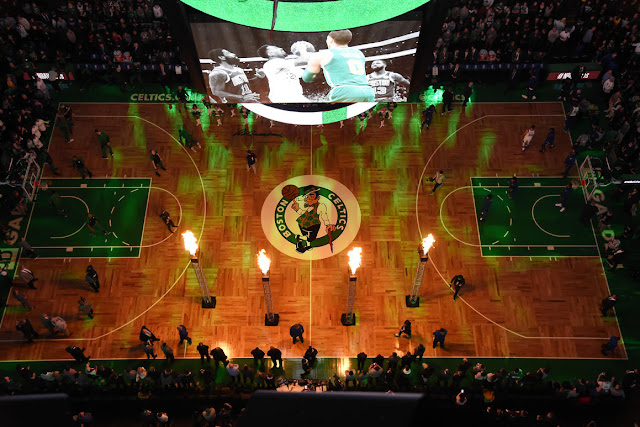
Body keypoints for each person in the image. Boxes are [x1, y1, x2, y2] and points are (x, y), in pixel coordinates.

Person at [302, 29, 375, 102]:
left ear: (330, 40)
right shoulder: (359, 53)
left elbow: (306, 78)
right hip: (367, 91)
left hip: (344, 91)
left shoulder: (323, 54)